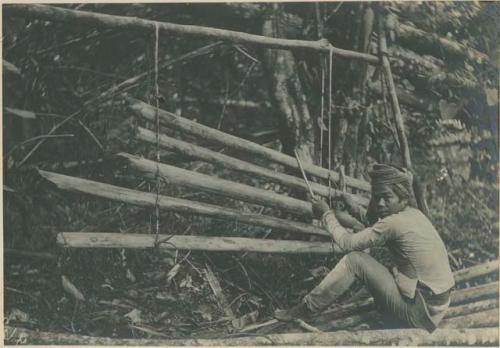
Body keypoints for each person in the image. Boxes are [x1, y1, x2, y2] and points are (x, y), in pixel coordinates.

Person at [274, 164, 455, 332]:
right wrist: (351, 205)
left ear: (403, 197)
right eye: (376, 198)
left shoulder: (394, 223)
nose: (381, 204)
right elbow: (373, 224)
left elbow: (347, 243)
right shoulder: (413, 214)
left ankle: (306, 308)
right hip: (435, 307)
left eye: (387, 197)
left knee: (356, 261)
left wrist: (326, 214)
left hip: (421, 314)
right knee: (383, 270)